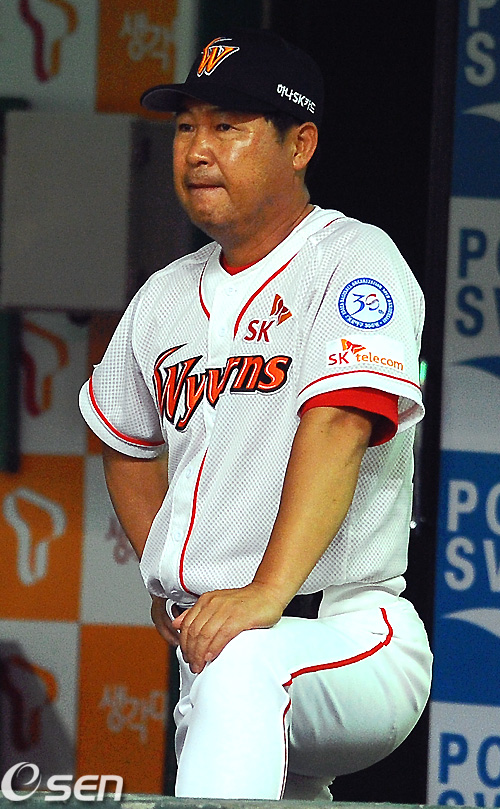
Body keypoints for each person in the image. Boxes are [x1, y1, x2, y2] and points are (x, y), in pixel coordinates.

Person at [79, 28, 432, 801]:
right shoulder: (165, 295)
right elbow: (122, 435)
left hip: (348, 631)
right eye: (186, 127)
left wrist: (266, 592)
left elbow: (342, 422)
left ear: (299, 144)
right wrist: (171, 570)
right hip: (220, 646)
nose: (198, 150)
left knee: (242, 664)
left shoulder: (353, 259)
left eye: (227, 126)